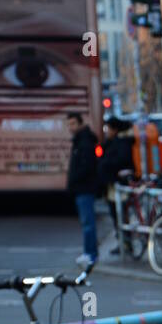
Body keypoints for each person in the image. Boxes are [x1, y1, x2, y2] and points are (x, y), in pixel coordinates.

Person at [66, 111, 100, 267]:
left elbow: (86, 166)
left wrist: (74, 179)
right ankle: (89, 252)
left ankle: (91, 254)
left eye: (73, 123)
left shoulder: (84, 142)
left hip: (84, 187)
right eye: (68, 124)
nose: (70, 127)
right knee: (86, 222)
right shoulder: (80, 140)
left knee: (87, 222)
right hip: (82, 187)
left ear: (80, 123)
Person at [97, 116, 135, 256]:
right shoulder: (115, 142)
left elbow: (120, 160)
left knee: (120, 214)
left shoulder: (121, 143)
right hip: (113, 184)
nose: (107, 131)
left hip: (118, 185)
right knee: (118, 215)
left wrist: (106, 164)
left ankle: (125, 243)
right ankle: (124, 242)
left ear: (115, 129)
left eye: (108, 128)